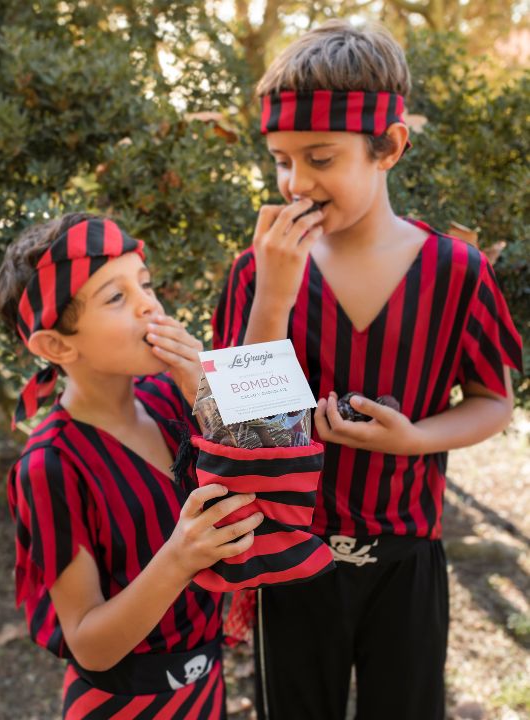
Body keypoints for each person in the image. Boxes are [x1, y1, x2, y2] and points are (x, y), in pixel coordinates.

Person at [212, 20, 523, 720]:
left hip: (407, 556)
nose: (296, 183)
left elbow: (493, 399)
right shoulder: (255, 274)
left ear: (389, 146)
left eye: (320, 157)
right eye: (281, 160)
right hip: (291, 553)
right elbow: (239, 428)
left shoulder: (455, 273)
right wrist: (273, 297)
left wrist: (414, 439)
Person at [0, 213, 264, 719]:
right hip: (119, 705)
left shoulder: (170, 398)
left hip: (206, 691)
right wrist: (178, 559)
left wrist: (209, 393)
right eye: (116, 298)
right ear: (56, 345)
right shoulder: (51, 465)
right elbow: (89, 643)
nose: (149, 305)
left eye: (145, 283)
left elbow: (268, 477)